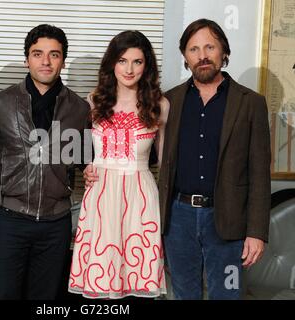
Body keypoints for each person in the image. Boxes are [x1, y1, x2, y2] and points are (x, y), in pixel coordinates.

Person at [157, 19, 271, 299]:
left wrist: (257, 232)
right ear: (185, 56)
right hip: (177, 219)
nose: (202, 55)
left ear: (223, 52)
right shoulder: (169, 101)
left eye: (210, 46)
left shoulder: (251, 102)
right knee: (184, 295)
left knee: (227, 294)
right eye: (194, 49)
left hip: (229, 220)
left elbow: (259, 172)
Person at [0, 24, 90, 299]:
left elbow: (87, 160)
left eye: (54, 54)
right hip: (7, 221)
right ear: (26, 59)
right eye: (37, 53)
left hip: (54, 225)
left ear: (63, 61)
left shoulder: (80, 109)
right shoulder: (0, 103)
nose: (46, 61)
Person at [69, 30, 169, 299]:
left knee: (136, 279)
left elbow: (166, 162)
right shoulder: (93, 100)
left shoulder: (160, 105)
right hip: (101, 196)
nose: (129, 69)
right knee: (102, 277)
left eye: (137, 62)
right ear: (112, 62)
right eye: (123, 60)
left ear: (146, 66)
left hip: (140, 197)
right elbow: (80, 150)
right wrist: (88, 166)